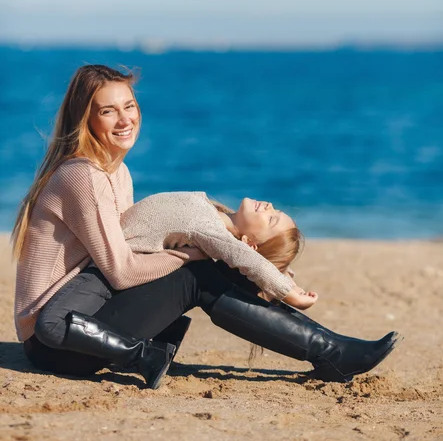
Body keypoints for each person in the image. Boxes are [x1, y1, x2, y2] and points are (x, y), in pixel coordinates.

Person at [12, 64, 399, 390]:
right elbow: (122, 269)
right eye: (108, 111)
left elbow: (130, 254)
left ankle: (331, 349)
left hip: (90, 315)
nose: (125, 119)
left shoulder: (117, 172)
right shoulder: (82, 176)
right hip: (58, 336)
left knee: (200, 267)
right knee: (195, 273)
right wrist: (189, 253)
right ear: (87, 119)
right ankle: (331, 352)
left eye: (129, 106)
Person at [121, 192, 318, 309]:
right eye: (276, 211)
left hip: (108, 264)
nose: (270, 206)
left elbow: (255, 264)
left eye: (271, 219)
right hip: (106, 248)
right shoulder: (214, 213)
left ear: (249, 244)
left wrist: (291, 294)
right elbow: (262, 262)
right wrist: (287, 277)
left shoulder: (212, 231)